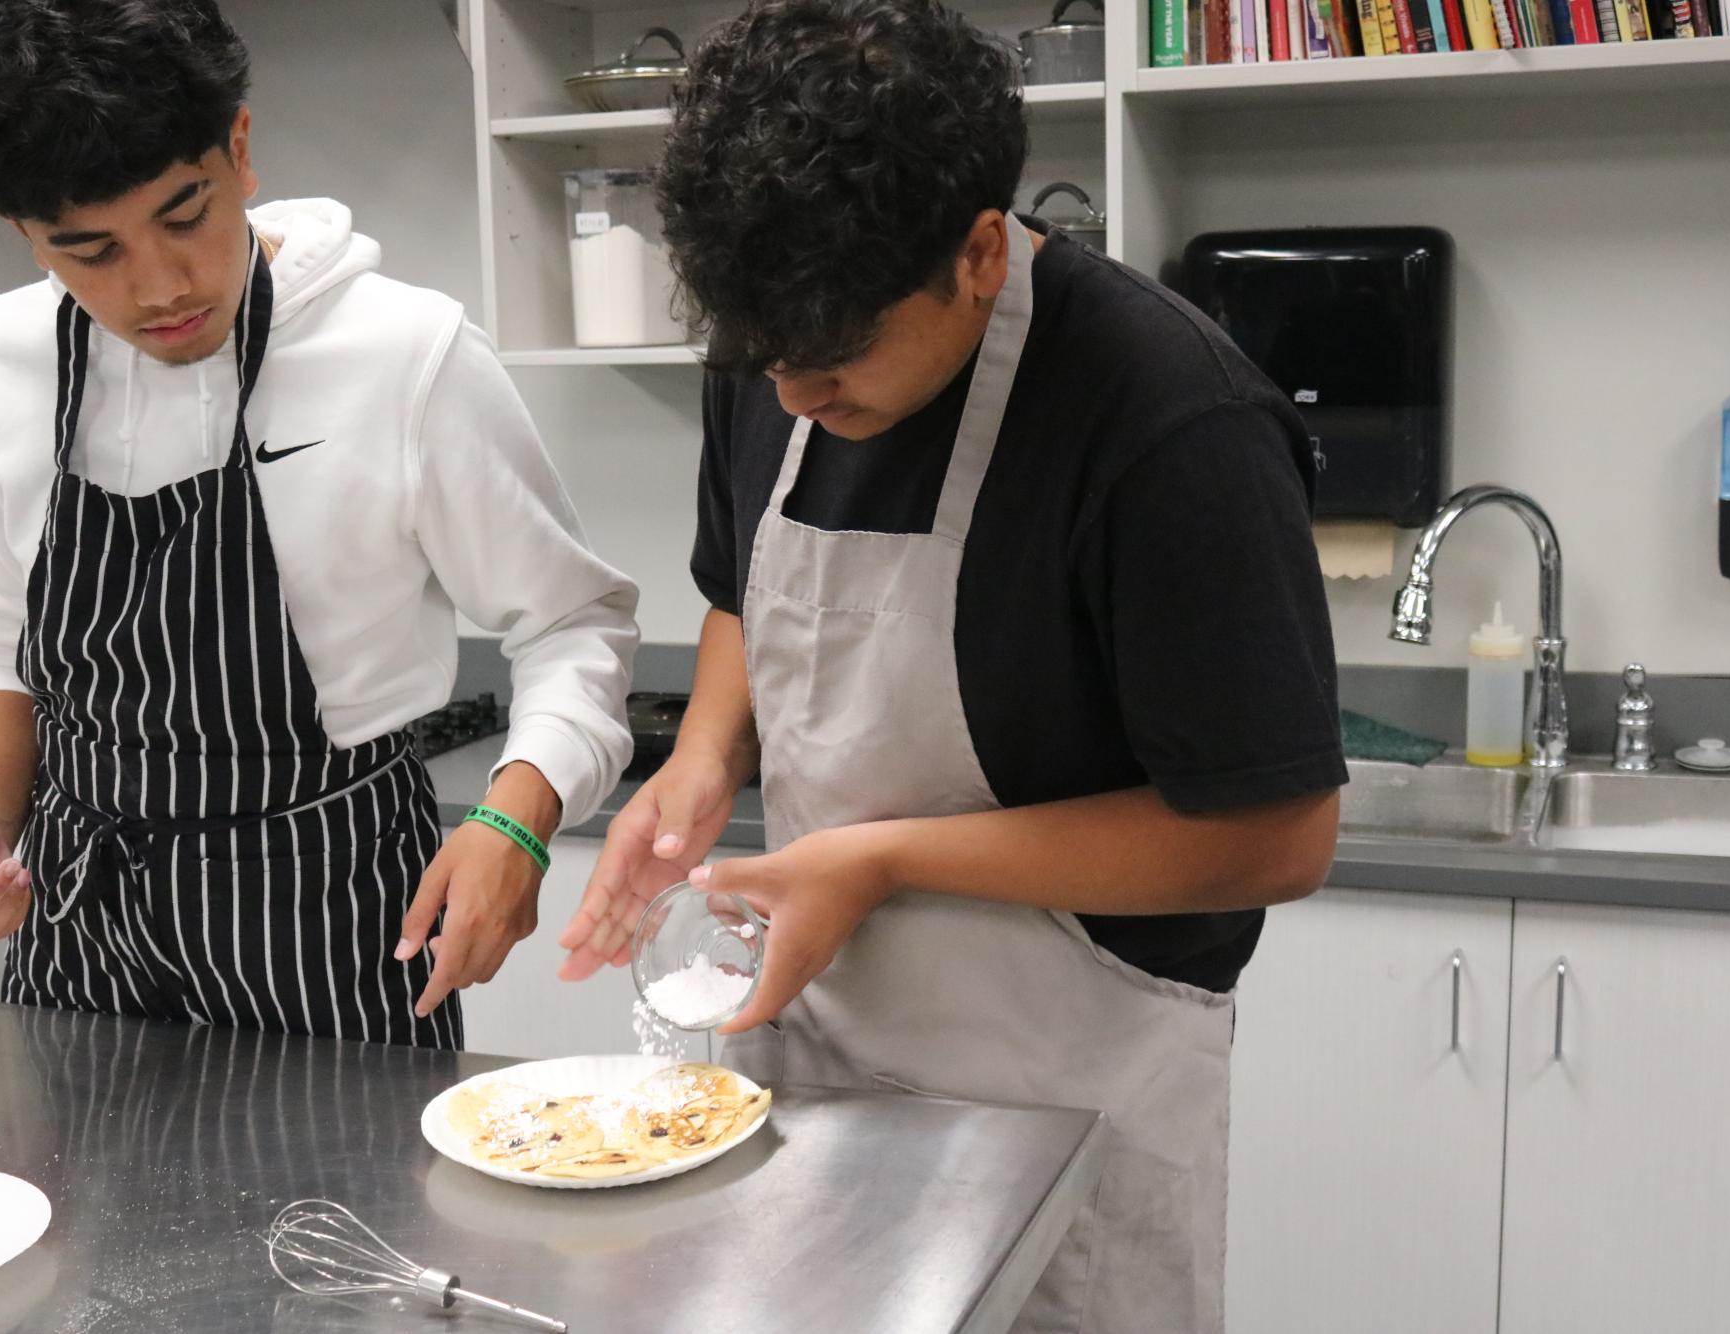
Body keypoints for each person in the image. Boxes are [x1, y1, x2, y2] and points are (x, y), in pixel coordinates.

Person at [558, 0, 1346, 1326]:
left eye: (834, 358)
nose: (793, 394)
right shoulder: (775, 338)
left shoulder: (1170, 424)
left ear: (979, 252)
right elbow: (743, 593)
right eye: (762, 362)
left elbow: (1274, 836)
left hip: (1071, 1103)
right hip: (813, 1067)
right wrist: (702, 758)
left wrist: (880, 856)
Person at [0, 0, 636, 1049]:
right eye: (89, 249)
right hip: (81, 921)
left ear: (239, 151)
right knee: (81, 1214)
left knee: (345, 1217)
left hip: (329, 917)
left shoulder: (404, 352)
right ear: (23, 232)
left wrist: (518, 817)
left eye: (185, 213)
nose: (159, 287)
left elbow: (574, 625)